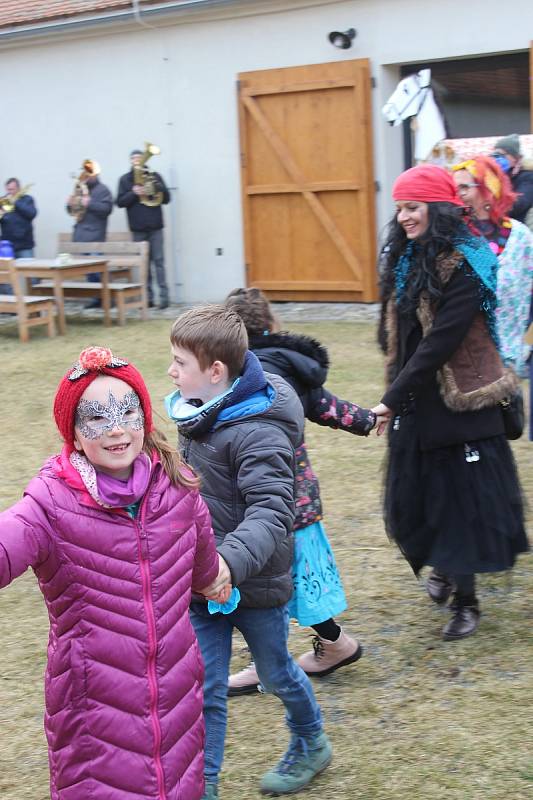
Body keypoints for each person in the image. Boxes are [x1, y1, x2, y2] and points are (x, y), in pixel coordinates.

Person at [0, 345, 225, 800]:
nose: (117, 429)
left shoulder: (178, 488)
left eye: (127, 413)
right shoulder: (49, 505)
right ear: (74, 434)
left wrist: (217, 576)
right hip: (94, 715)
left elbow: (203, 567)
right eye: (97, 418)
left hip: (177, 699)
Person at [166, 306, 332, 799]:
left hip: (255, 582)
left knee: (277, 672)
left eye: (180, 362)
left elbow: (272, 513)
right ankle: (204, 785)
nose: (171, 372)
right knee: (204, 687)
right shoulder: (198, 412)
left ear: (216, 372)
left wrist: (229, 563)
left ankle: (311, 741)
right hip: (202, 583)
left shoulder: (259, 430)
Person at [373, 164, 528, 642]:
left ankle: (467, 600)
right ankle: (442, 562)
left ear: (437, 209)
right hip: (418, 395)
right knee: (418, 493)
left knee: (461, 499)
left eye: (412, 207)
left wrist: (391, 399)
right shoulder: (406, 259)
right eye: (399, 208)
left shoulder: (469, 262)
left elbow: (440, 341)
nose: (403, 217)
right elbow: (398, 332)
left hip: (462, 399)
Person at [223, 287, 375, 693]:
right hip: (296, 497)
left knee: (260, 583)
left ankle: (272, 662)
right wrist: (368, 419)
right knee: (296, 579)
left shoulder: (240, 373)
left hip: (258, 501)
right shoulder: (290, 367)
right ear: (270, 323)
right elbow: (330, 408)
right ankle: (333, 644)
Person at [452, 155, 533, 377]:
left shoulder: (521, 237)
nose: (457, 193)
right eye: (454, 187)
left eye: (464, 187)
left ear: (489, 189)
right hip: (461, 353)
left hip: (507, 352)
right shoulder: (453, 237)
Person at [116, 149, 171, 309]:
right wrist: (133, 193)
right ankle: (147, 299)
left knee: (159, 263)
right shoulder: (125, 180)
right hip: (138, 229)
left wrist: (156, 186)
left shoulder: (154, 175)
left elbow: (167, 198)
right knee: (144, 264)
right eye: (134, 158)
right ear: (130, 161)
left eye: (139, 158)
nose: (137, 160)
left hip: (155, 227)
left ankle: (164, 298)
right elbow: (119, 202)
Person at [66, 159, 113, 308]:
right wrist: (69, 204)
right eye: (84, 172)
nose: (85, 175)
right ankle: (96, 298)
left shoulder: (103, 190)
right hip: (81, 235)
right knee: (89, 272)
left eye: (89, 173)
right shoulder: (79, 189)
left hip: (95, 236)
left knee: (98, 271)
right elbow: (73, 212)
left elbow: (107, 210)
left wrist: (90, 203)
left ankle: (107, 299)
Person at [491, 134, 533, 227]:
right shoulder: (495, 177)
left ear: (515, 158)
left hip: (518, 230)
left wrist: (490, 207)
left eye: (500, 155)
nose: (496, 159)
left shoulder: (528, 177)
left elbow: (518, 205)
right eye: (494, 155)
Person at [0, 177, 37, 257]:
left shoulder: (27, 199)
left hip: (25, 246)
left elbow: (32, 214)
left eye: (12, 189)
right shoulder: (4, 201)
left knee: (27, 269)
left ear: (18, 189)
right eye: (8, 190)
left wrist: (15, 202)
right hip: (7, 247)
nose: (9, 192)